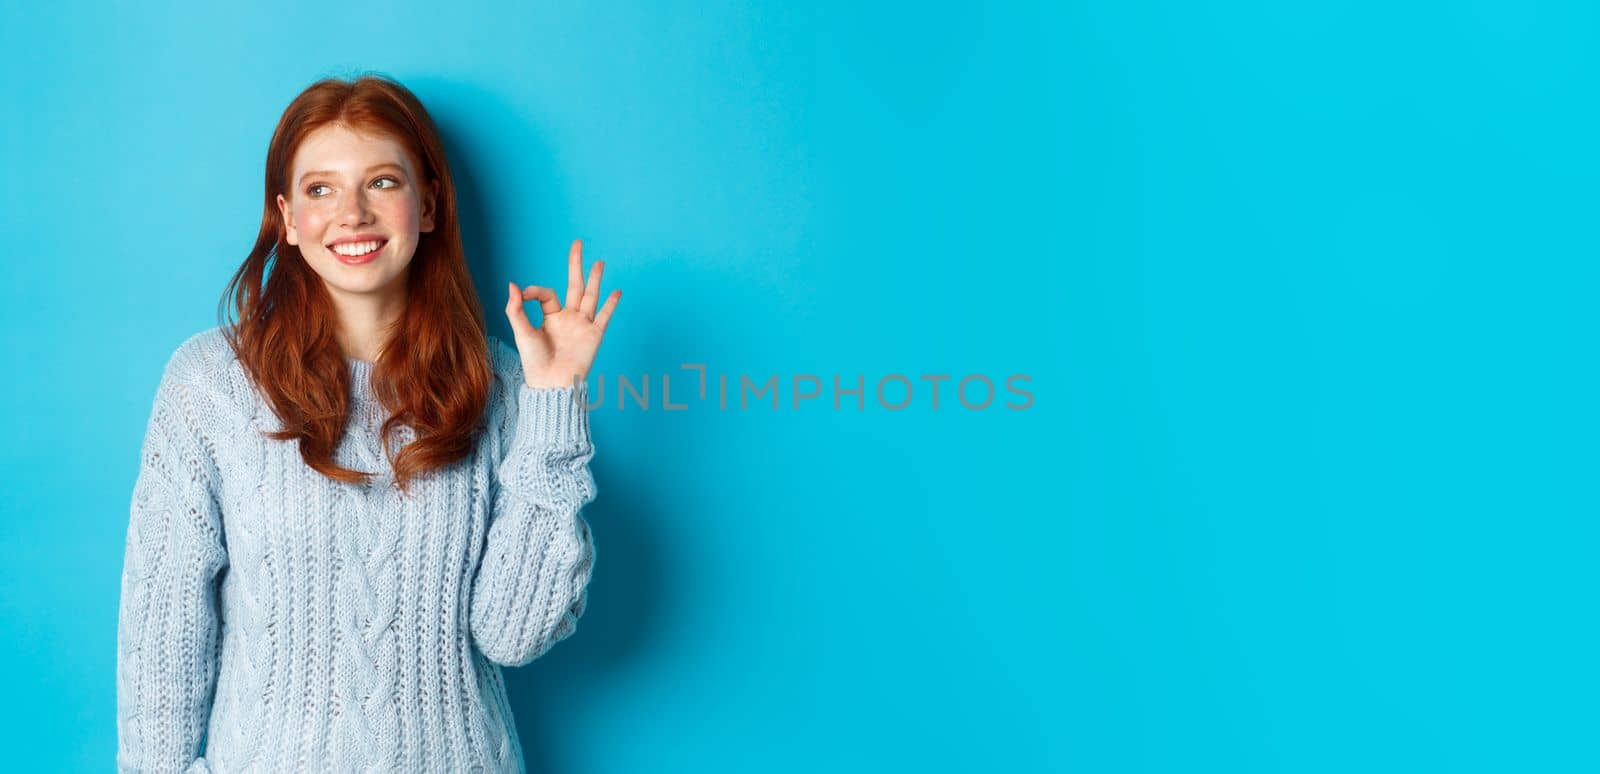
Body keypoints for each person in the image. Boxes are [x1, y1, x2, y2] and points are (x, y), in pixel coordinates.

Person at [114, 73, 621, 773]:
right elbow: (164, 636)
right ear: (288, 218)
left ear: (430, 205)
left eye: (382, 182)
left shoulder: (503, 383)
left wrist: (555, 399)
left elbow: (513, 632)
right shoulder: (210, 384)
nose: (351, 214)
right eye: (321, 189)